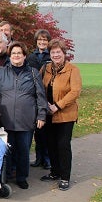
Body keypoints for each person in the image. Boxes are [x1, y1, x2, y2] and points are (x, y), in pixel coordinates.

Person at [0, 41, 47, 189]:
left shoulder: (33, 73)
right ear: (10, 56)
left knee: (23, 150)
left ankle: (22, 177)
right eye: (13, 53)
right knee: (6, 149)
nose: (16, 56)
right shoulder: (1, 73)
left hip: (26, 119)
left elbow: (40, 95)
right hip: (5, 119)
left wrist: (41, 115)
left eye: (19, 53)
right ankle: (6, 175)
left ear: (24, 56)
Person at [40, 39, 82, 191]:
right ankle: (55, 172)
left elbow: (75, 92)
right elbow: (39, 87)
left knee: (63, 145)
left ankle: (65, 176)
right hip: (48, 113)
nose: (56, 55)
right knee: (50, 144)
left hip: (65, 114)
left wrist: (57, 106)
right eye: (53, 52)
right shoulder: (46, 68)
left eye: (58, 52)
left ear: (64, 53)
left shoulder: (73, 70)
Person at [27, 29, 52, 169]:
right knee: (38, 130)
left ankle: (47, 158)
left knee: (46, 131)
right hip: (35, 95)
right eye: (40, 40)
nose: (42, 42)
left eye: (45, 40)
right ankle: (38, 157)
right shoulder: (31, 57)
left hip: (48, 95)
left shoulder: (51, 56)